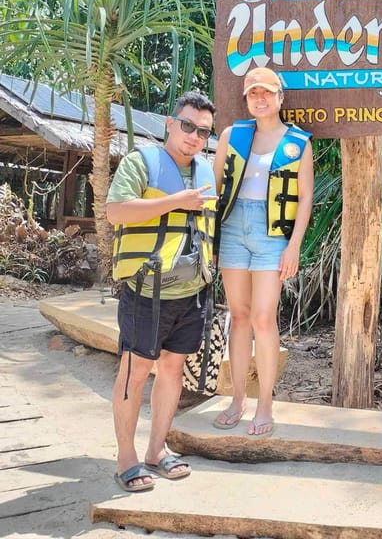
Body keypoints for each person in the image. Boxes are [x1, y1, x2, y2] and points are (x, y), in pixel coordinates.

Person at [106, 92, 217, 492]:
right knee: (134, 373)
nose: (193, 136)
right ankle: (126, 458)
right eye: (187, 126)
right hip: (146, 288)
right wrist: (176, 202)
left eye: (202, 131)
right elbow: (115, 211)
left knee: (172, 370)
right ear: (171, 124)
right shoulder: (141, 162)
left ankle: (156, 450)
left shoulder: (206, 171)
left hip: (192, 290)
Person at [212, 67, 314, 437]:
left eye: (267, 93)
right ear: (246, 98)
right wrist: (211, 239)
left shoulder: (298, 142)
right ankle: (238, 399)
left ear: (280, 98)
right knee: (238, 316)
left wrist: (294, 246)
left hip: (273, 233)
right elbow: (215, 187)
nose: (260, 99)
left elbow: (304, 199)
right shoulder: (232, 135)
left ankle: (265, 402)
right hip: (233, 227)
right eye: (254, 93)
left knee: (263, 318)